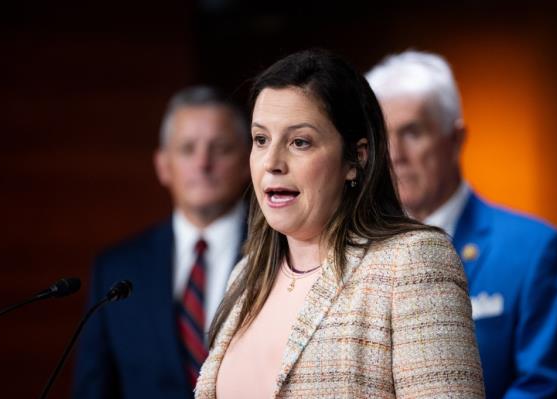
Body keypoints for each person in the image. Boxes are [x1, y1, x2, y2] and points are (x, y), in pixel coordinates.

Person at [195, 49, 484, 398]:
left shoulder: (412, 262)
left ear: (355, 159)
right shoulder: (245, 276)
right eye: (261, 140)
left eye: (299, 142)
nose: (272, 162)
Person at [366, 50, 557, 398]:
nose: (394, 155)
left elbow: (543, 388)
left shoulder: (534, 250)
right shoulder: (358, 252)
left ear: (456, 140)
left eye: (412, 133)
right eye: (382, 137)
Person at [73, 86, 251, 399]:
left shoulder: (286, 254)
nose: (202, 163)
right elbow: (93, 388)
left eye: (220, 148)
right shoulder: (116, 268)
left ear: (248, 161)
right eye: (187, 149)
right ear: (163, 165)